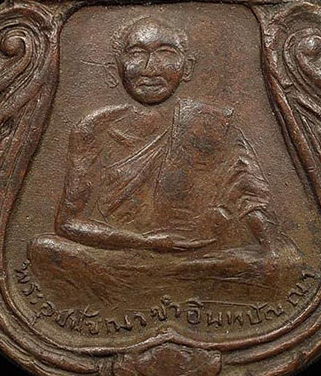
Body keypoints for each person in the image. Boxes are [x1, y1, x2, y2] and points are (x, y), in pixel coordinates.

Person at [28, 17, 299, 303]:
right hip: (124, 253)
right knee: (44, 249)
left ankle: (154, 281)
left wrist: (271, 246)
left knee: (284, 261)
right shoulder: (94, 128)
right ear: (114, 68)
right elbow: (68, 223)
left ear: (187, 67)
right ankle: (170, 280)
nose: (150, 68)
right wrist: (144, 242)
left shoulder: (211, 124)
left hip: (198, 253)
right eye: (137, 53)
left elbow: (250, 199)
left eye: (165, 53)